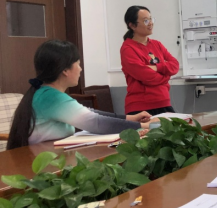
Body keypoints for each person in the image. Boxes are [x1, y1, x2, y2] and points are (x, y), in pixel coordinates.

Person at [8, 40, 157, 149]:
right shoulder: (51, 98)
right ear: (65, 70)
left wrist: (130, 118)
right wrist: (145, 125)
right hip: (43, 164)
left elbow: (88, 113)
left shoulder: (45, 93)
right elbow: (96, 122)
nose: (80, 69)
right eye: (78, 64)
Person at [121, 6, 179, 116]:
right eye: (146, 21)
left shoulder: (157, 44)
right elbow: (146, 76)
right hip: (140, 106)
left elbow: (175, 65)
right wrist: (166, 76)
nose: (151, 23)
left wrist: (157, 67)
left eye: (151, 19)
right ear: (132, 25)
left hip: (163, 102)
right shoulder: (128, 49)